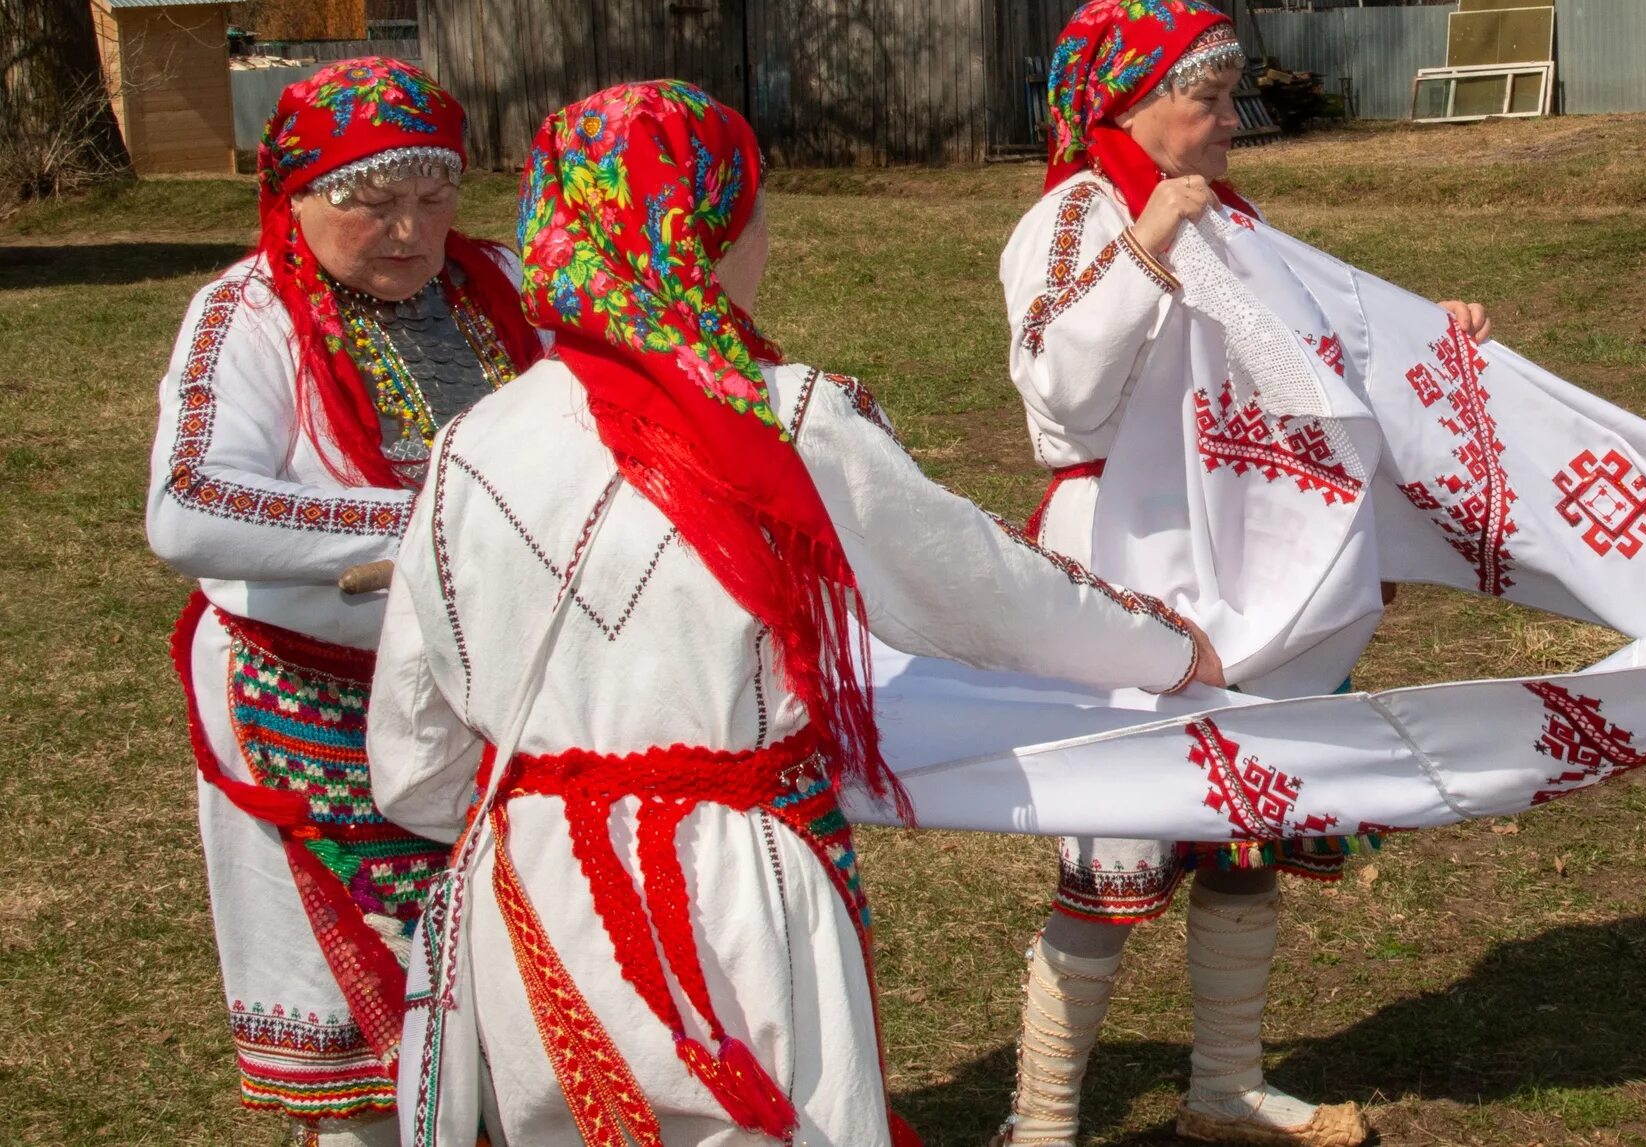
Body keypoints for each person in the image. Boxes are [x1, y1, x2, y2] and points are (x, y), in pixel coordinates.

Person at [367, 80, 1223, 1147]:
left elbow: (412, 760)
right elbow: (992, 591)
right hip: (736, 894)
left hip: (535, 896)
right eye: (753, 206)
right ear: (711, 229)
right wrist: (1169, 646)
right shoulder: (786, 423)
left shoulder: (473, 446)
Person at [996, 0, 1486, 1147]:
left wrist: (1432, 343)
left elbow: (1313, 357)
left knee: (1243, 834)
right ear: (1132, 99)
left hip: (1243, 567)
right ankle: (1043, 1120)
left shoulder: (1234, 224)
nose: (1233, 121)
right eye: (1210, 99)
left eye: (1231, 99)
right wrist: (1148, 244)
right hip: (1127, 561)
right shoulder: (1076, 215)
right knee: (1114, 848)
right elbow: (1058, 390)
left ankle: (1223, 1086)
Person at [147, 58, 541, 1146]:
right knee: (362, 1047)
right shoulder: (250, 312)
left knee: (513, 1007)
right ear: (296, 195)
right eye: (371, 204)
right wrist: (425, 524)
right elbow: (186, 508)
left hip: (488, 706)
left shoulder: (502, 290)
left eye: (433, 197)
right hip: (305, 707)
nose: (410, 233)